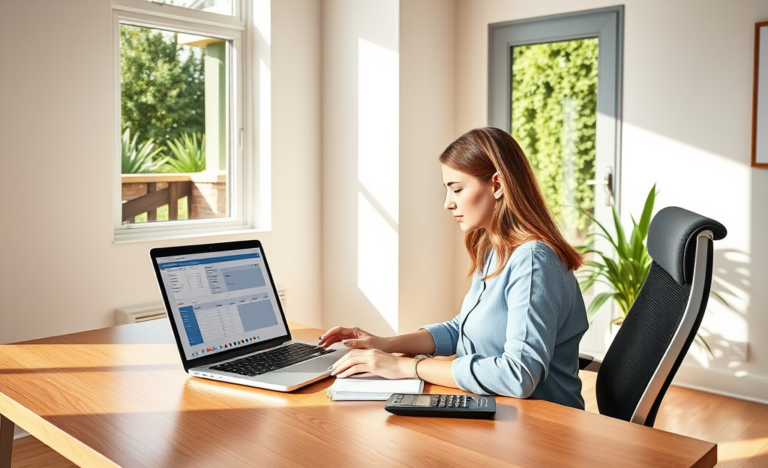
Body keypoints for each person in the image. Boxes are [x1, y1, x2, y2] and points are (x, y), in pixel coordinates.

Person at [318, 127, 589, 409]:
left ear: (497, 185)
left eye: (457, 189)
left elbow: (517, 376)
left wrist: (408, 367)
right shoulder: (494, 248)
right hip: (495, 411)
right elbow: (464, 329)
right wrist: (386, 345)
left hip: (544, 428)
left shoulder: (533, 260)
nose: (448, 203)